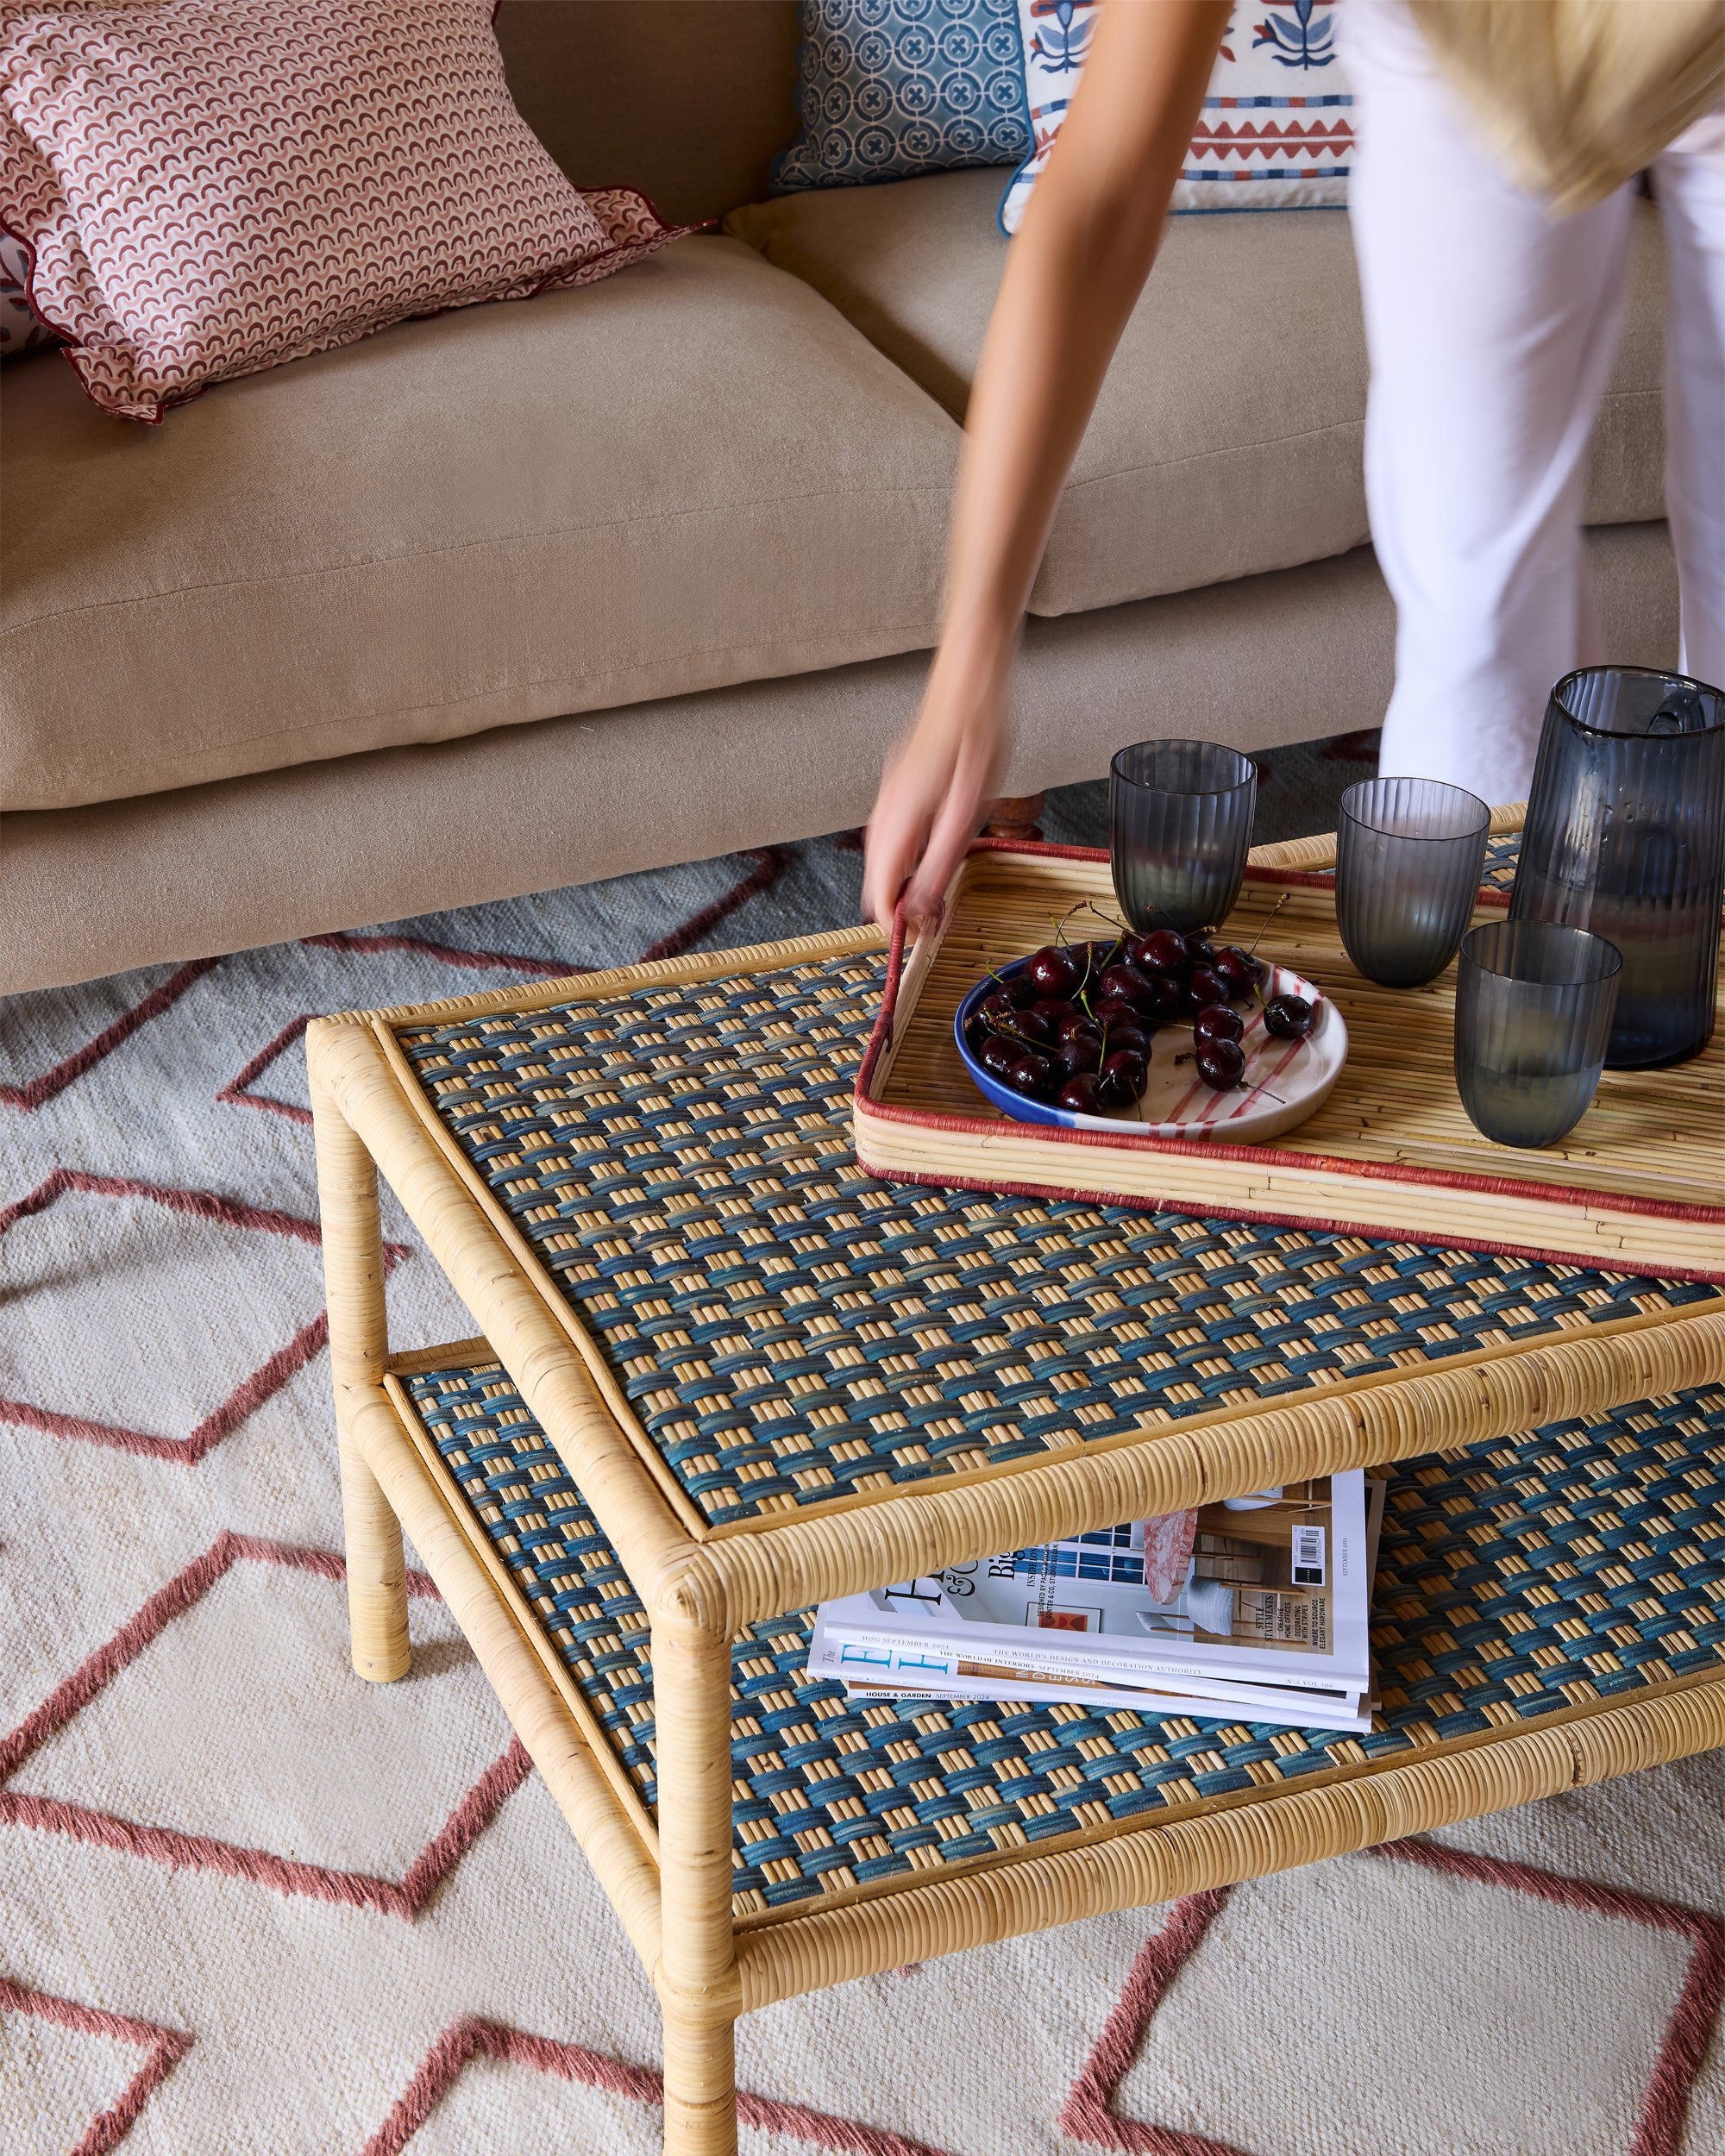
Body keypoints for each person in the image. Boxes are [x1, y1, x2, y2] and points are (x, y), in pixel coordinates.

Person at [862, 0, 1725, 932]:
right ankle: (1466, 1005)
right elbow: (1100, 197)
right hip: (1467, 50)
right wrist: (968, 666)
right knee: (1471, 595)